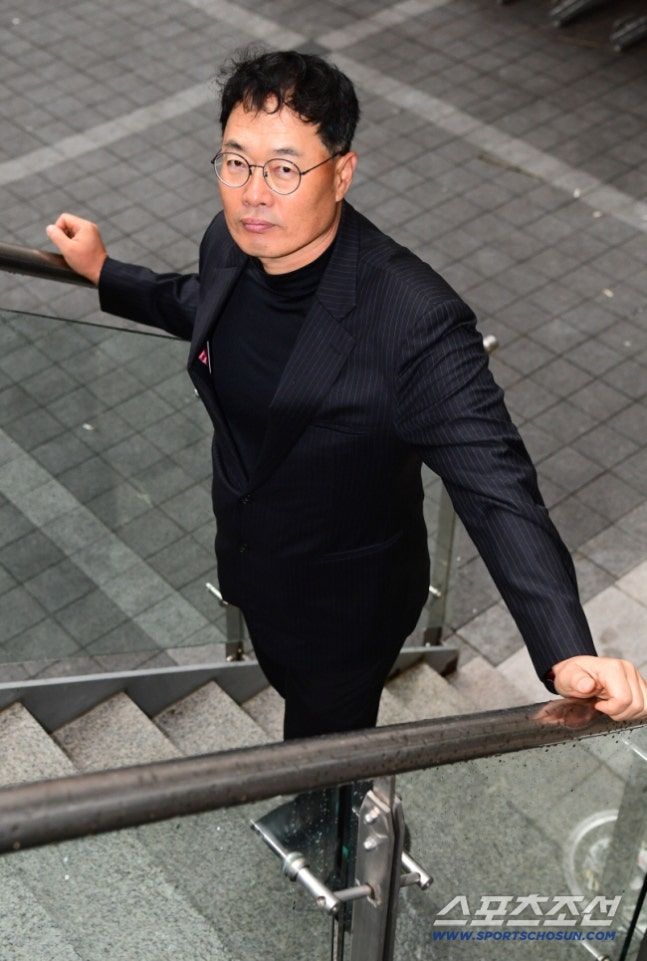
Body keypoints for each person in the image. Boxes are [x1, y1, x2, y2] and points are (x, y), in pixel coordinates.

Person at [46, 50, 647, 738]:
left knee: (325, 746)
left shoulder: (414, 321)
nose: (252, 194)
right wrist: (106, 272)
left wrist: (566, 648)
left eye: (283, 169)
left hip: (346, 613)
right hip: (252, 569)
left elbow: (496, 487)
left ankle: (335, 805)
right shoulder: (231, 243)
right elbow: (201, 302)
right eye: (236, 162)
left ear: (342, 173)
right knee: (286, 688)